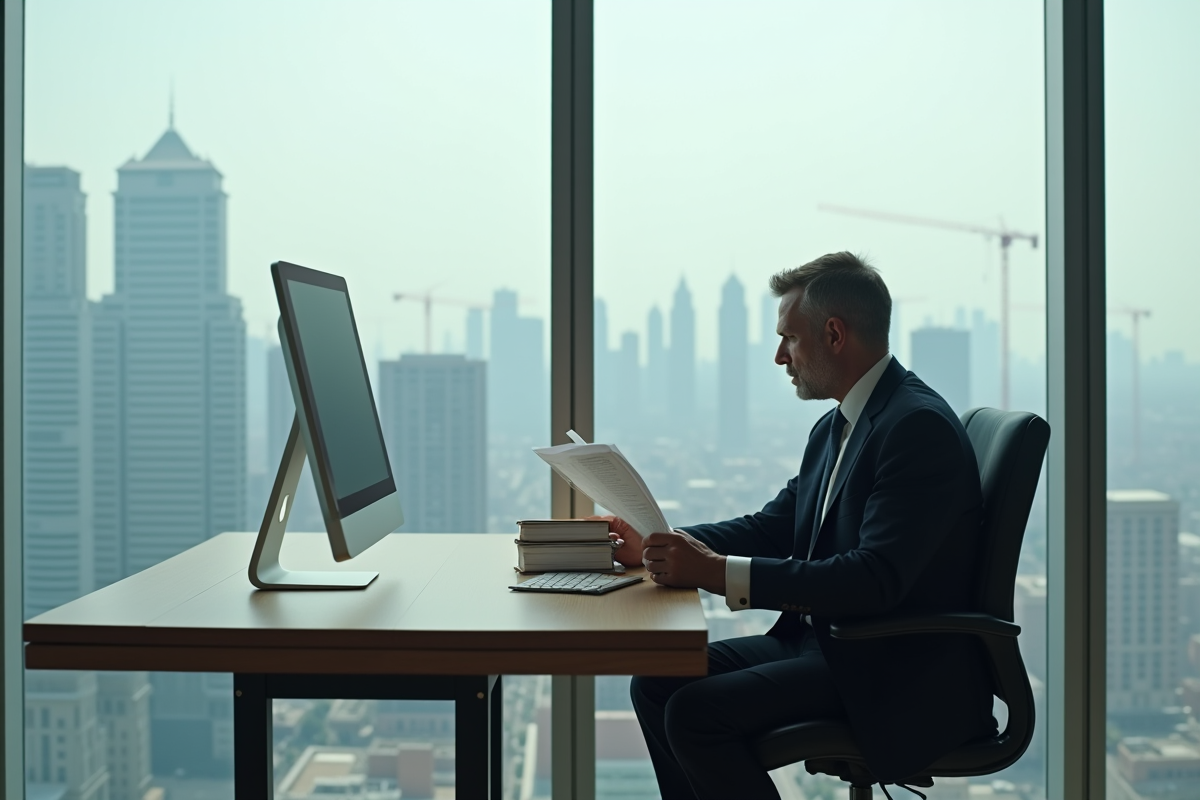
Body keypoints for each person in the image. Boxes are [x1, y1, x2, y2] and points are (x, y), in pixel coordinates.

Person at [602, 252, 995, 799]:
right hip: (826, 645)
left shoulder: (914, 427)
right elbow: (771, 529)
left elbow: (873, 579)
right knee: (657, 683)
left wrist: (715, 573)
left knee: (695, 713)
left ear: (834, 334)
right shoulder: (839, 425)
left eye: (789, 337)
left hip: (887, 668)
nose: (779, 356)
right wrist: (659, 545)